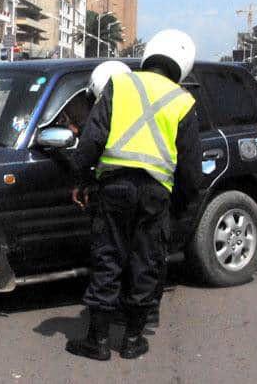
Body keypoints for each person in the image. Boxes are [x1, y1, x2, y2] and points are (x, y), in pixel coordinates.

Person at [66, 30, 201, 361]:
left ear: (149, 54)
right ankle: (132, 340)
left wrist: (81, 178)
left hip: (113, 188)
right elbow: (191, 168)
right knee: (146, 262)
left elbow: (92, 139)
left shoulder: (120, 84)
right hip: (155, 194)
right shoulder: (183, 101)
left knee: (108, 259)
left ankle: (97, 341)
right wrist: (181, 205)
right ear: (182, 66)